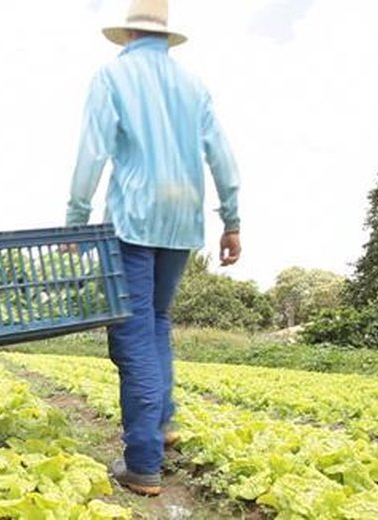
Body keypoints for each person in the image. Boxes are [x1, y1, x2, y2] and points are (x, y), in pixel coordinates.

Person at [65, 0, 241, 496]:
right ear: (166, 37)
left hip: (135, 222)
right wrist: (232, 221)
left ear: (126, 35)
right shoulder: (193, 85)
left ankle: (142, 462)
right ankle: (163, 423)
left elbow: (91, 152)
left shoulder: (110, 77)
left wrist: (76, 221)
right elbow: (222, 157)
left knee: (133, 334)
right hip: (183, 223)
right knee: (158, 321)